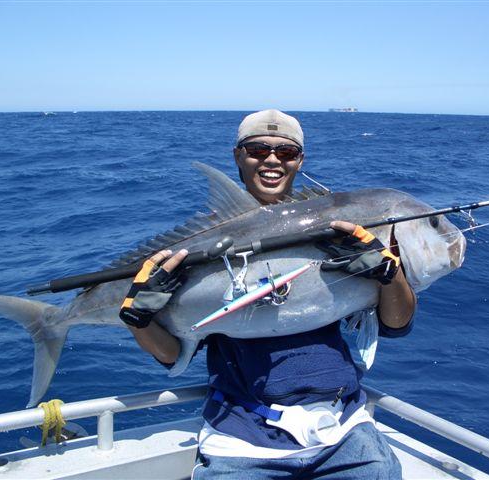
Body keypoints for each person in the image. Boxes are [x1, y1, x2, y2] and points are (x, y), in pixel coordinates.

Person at [119, 110, 416, 479]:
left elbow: (396, 323)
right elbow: (172, 352)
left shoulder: (343, 230)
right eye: (258, 149)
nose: (272, 159)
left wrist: (390, 273)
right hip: (240, 438)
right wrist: (137, 318)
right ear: (238, 156)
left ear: (300, 160)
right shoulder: (199, 249)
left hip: (344, 429)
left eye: (286, 152)